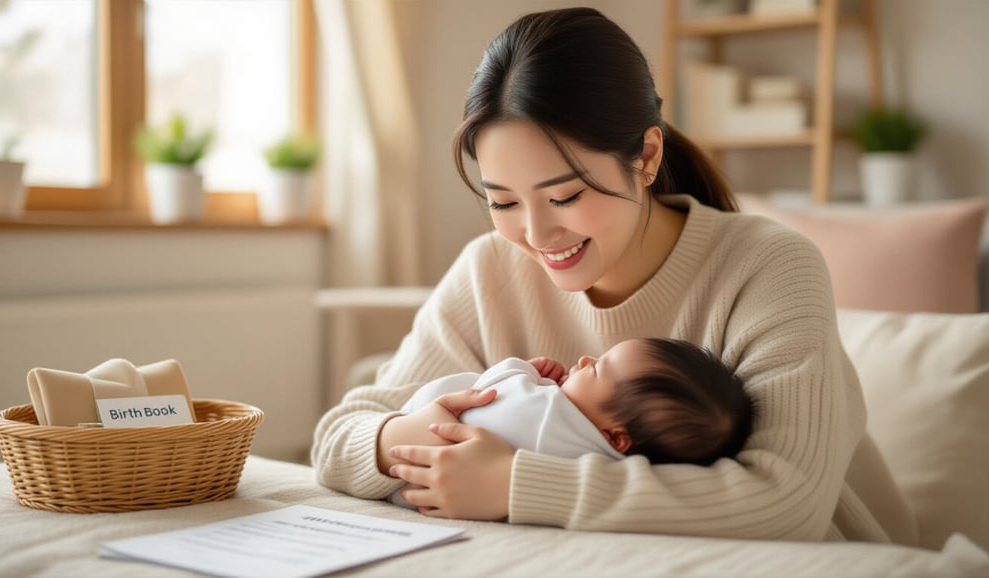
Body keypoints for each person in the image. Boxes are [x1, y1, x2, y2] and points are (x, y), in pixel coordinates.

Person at [311, 7, 916, 544]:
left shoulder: (767, 266)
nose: (536, 235)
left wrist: (514, 484)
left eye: (566, 195)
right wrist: (400, 438)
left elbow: (788, 503)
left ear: (646, 157)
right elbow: (337, 437)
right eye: (503, 202)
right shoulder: (490, 271)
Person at [387, 338, 754, 509]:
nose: (583, 359)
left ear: (617, 436)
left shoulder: (548, 415)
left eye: (595, 369)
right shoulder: (603, 465)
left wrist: (525, 371)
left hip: (406, 456)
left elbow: (491, 393)